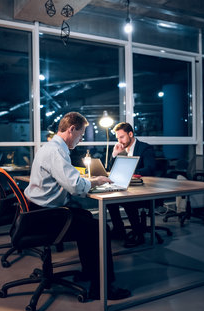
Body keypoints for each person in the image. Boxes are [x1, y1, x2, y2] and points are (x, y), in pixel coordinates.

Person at [24, 112, 130, 300]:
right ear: (72, 129)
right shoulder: (56, 151)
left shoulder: (52, 147)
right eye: (81, 135)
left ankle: (89, 272)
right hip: (46, 215)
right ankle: (102, 288)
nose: (80, 140)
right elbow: (74, 186)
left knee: (87, 218)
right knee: (100, 229)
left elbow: (68, 178)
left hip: (38, 210)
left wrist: (86, 180)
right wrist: (96, 181)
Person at [108, 122, 156, 248]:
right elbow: (110, 170)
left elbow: (150, 169)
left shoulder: (145, 148)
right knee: (110, 200)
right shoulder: (121, 149)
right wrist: (114, 154)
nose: (120, 141)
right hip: (126, 186)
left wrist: (130, 173)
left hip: (143, 187)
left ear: (130, 134)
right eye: (117, 138)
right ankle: (119, 230)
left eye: (122, 137)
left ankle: (138, 234)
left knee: (128, 200)